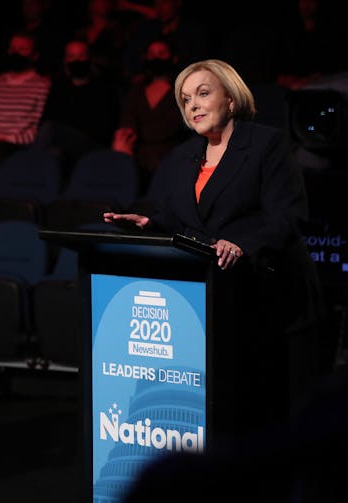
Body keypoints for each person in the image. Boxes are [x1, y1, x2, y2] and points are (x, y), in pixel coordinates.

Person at [104, 59, 329, 439]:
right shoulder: (182, 158)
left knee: (282, 426)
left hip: (272, 303)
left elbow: (289, 218)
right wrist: (150, 225)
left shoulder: (265, 144)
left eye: (203, 93)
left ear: (231, 99)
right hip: (216, 309)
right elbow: (183, 219)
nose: (192, 105)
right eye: (185, 99)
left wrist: (243, 245)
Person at [111, 36, 190, 195]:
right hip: (136, 154)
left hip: (168, 156)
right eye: (151, 54)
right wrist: (124, 136)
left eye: (161, 53)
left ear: (173, 58)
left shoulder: (182, 90)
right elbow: (128, 118)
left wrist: (136, 134)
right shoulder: (137, 88)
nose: (156, 58)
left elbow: (169, 128)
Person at [0, 31, 51, 187]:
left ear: (34, 55)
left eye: (23, 49)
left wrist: (3, 140)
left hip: (16, 145)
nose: (16, 53)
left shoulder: (42, 86)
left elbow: (35, 128)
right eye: (13, 48)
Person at [37, 38, 121, 177]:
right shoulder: (59, 88)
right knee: (53, 154)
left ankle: (26, 170)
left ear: (90, 58)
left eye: (81, 56)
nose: (76, 60)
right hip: (62, 144)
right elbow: (47, 117)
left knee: (50, 128)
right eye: (71, 56)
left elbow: (105, 127)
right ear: (65, 61)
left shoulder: (104, 88)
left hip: (92, 144)